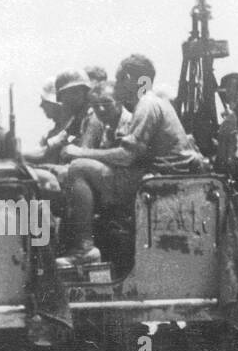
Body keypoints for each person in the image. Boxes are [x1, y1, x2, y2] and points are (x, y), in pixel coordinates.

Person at [55, 54, 205, 267]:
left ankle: (85, 249)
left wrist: (79, 153)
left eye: (119, 80)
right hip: (162, 177)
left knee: (79, 168)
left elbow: (126, 156)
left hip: (160, 181)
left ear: (127, 77)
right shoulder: (153, 102)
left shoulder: (147, 104)